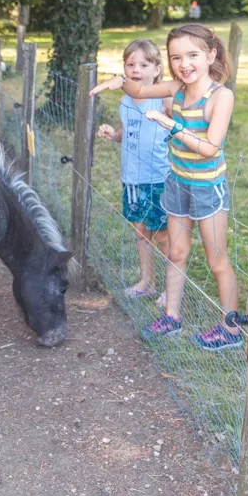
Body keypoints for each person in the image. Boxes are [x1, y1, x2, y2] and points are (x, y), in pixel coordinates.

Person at [90, 24, 241, 351]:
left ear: (211, 54)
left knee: (217, 261)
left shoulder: (221, 96)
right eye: (176, 57)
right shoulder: (175, 88)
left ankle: (231, 329)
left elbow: (210, 148)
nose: (184, 64)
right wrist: (120, 81)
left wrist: (171, 124)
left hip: (207, 189)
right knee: (176, 252)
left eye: (192, 55)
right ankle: (171, 317)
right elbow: (139, 90)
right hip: (177, 183)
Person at [96, 39, 171, 308]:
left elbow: (178, 128)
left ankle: (171, 289)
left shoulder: (163, 100)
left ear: (157, 70)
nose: (136, 69)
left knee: (162, 235)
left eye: (144, 64)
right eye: (130, 64)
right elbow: (125, 132)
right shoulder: (125, 101)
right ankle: (147, 281)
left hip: (157, 179)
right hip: (131, 180)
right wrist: (113, 134)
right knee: (140, 232)